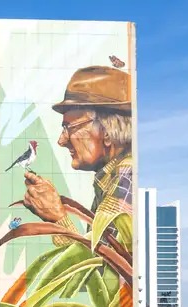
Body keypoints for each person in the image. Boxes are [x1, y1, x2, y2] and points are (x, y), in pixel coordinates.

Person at [21, 65, 133, 238]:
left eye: (69, 127)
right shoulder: (113, 179)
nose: (62, 141)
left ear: (106, 132)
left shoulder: (125, 178)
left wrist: (58, 218)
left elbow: (103, 256)